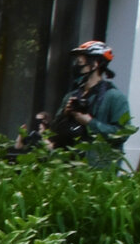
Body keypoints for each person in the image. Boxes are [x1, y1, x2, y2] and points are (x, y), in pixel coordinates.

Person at [53, 39, 134, 171]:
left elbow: (122, 134)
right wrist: (65, 114)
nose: (76, 66)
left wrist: (90, 122)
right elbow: (53, 131)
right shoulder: (71, 96)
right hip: (68, 169)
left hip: (98, 172)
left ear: (95, 64)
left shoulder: (114, 97)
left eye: (80, 62)